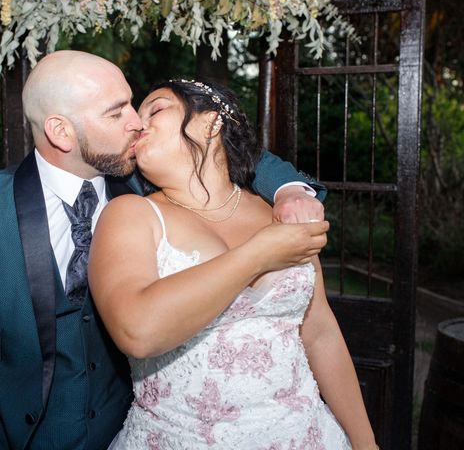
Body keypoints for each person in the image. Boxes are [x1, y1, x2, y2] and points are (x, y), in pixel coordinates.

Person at [0, 50, 327, 450]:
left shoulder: (145, 180)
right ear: (61, 131)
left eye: (135, 106)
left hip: (125, 432)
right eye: (116, 111)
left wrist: (291, 190)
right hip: (8, 438)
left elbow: (225, 148)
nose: (137, 124)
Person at [89, 79, 377, 449]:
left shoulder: (282, 211)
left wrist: (365, 442)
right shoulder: (129, 214)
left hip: (307, 436)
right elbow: (137, 331)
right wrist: (258, 254)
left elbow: (320, 333)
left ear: (211, 123)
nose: (138, 124)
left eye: (155, 109)